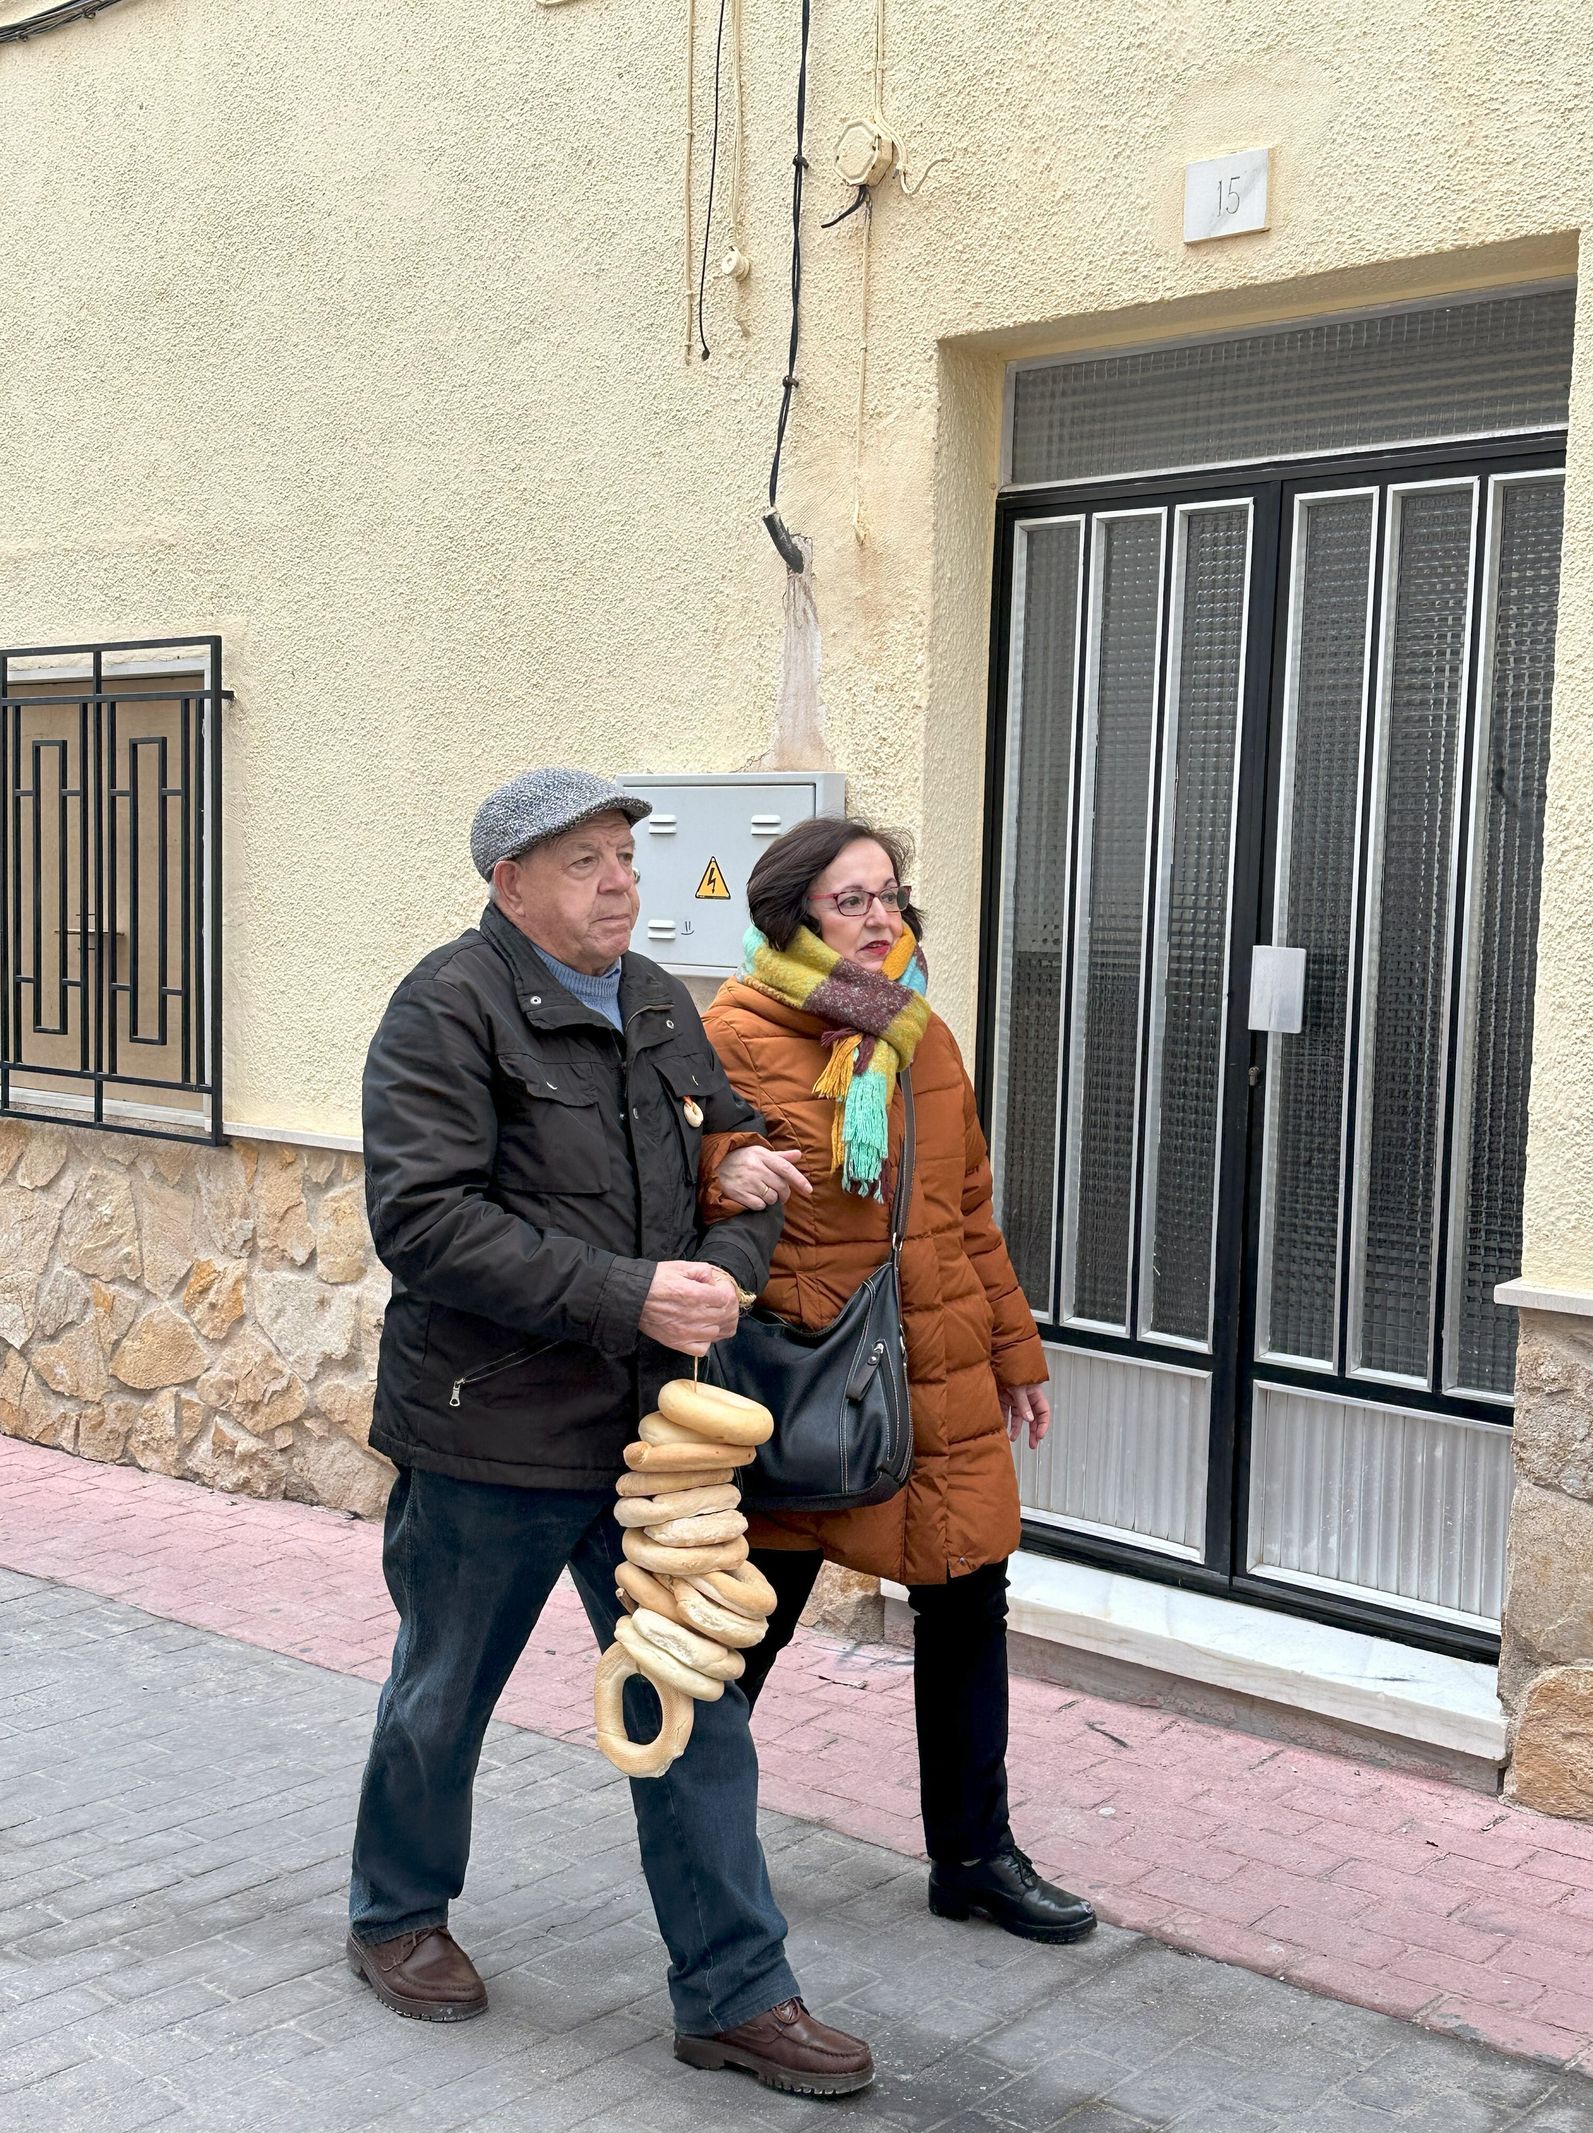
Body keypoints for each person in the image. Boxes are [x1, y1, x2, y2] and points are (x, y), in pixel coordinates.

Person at [346, 767, 873, 2098]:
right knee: (443, 1693)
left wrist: (731, 1256)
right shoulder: (444, 1011)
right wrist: (630, 1290)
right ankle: (397, 1914)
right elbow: (426, 1220)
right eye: (581, 862)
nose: (618, 882)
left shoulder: (656, 1003)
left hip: (654, 1446)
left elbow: (737, 1154)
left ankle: (735, 1994)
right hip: (491, 1434)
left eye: (623, 857)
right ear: (508, 885)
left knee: (692, 1701)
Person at [700, 815, 1098, 1945]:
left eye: (889, 897)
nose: (881, 921)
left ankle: (974, 1857)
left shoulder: (921, 1036)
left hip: (939, 1370)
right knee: (750, 1621)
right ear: (791, 917)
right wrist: (723, 1169)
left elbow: (965, 1208)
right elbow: (681, 1186)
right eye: (851, 901)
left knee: (969, 1601)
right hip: (806, 1373)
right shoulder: (729, 1037)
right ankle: (691, 1839)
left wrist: (1015, 1353)